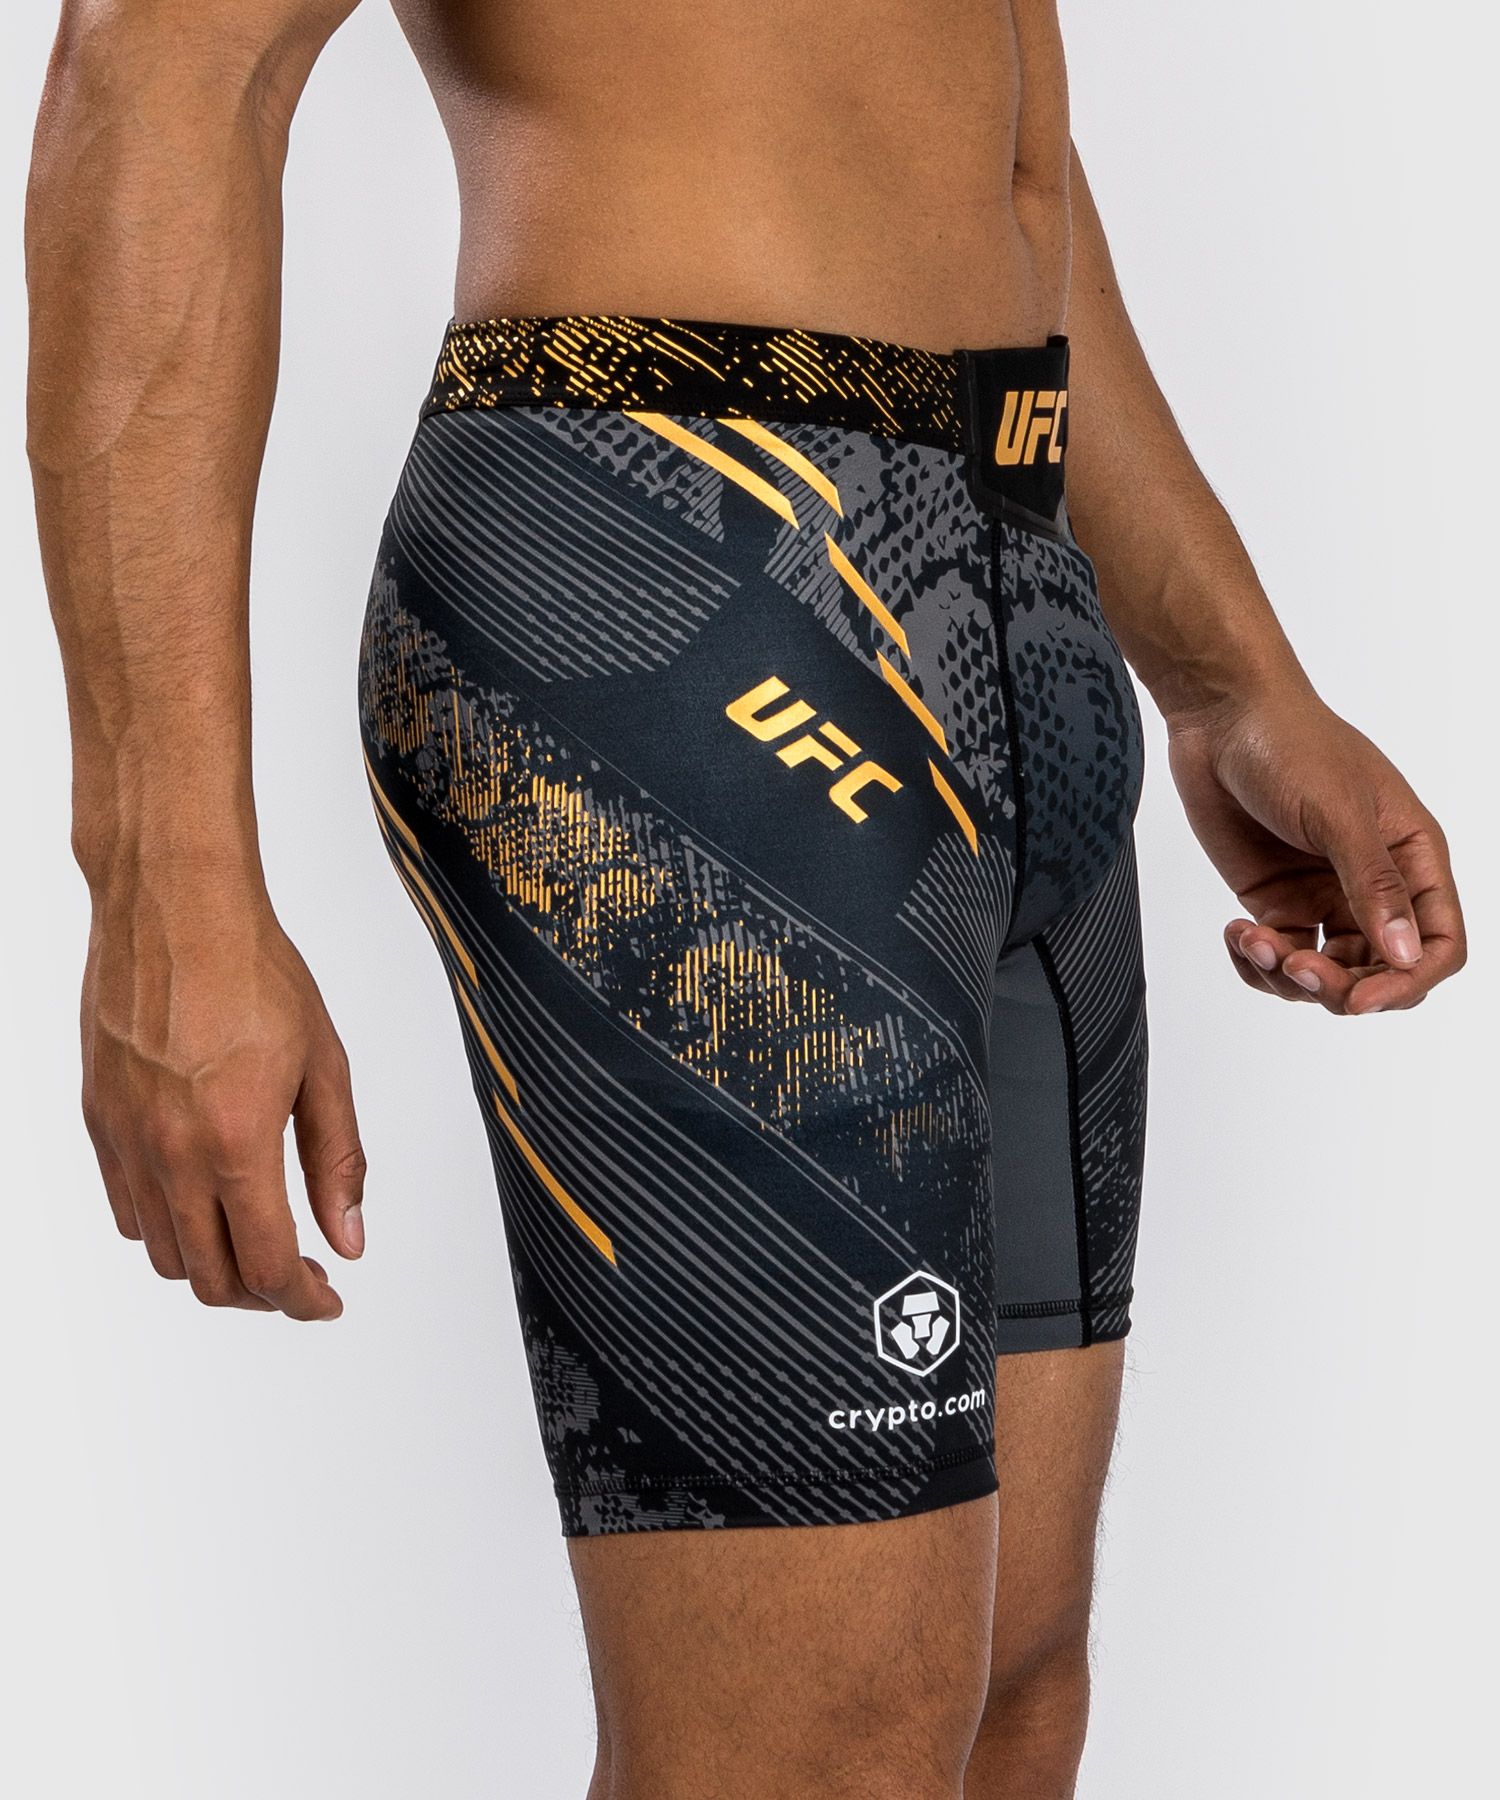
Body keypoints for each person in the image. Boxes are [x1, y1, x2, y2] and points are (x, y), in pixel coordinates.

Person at [25, 2, 1466, 1795]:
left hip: (1015, 566)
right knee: (818, 1754)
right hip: (680, 548)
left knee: (1007, 1701)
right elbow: (165, 65)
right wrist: (160, 880)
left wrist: (1233, 681)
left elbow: (993, 155)